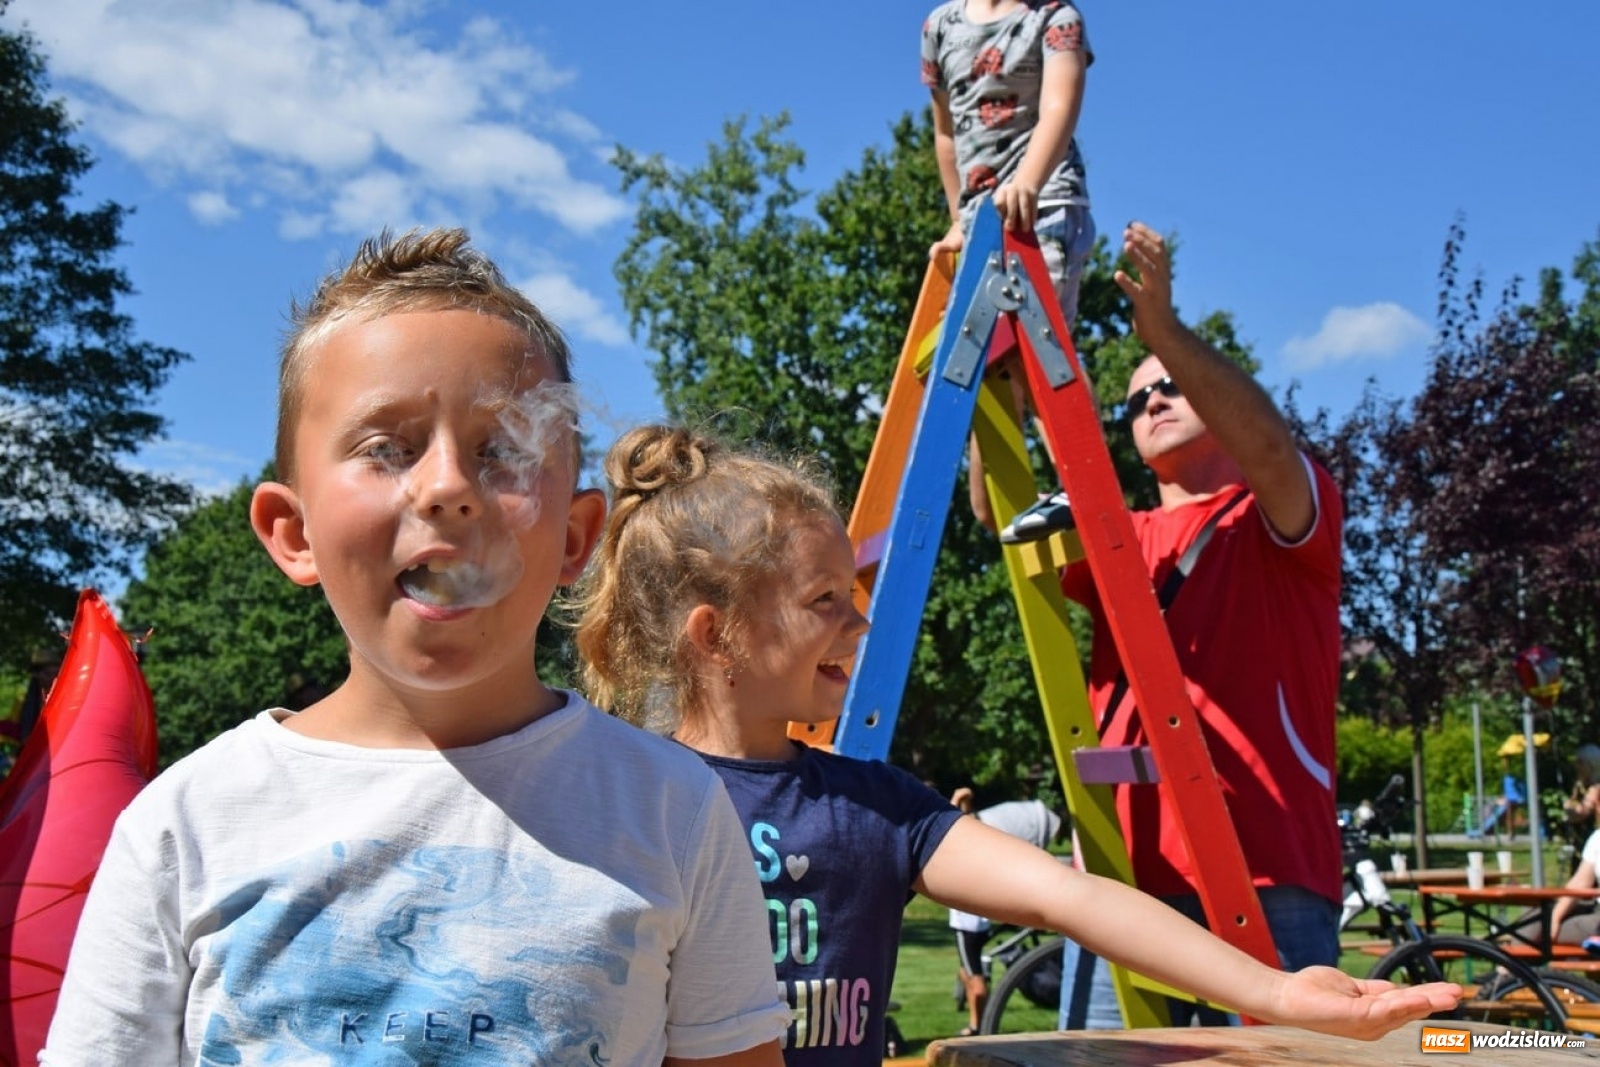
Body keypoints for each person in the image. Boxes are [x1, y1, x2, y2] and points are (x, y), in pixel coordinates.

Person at [42, 230, 788, 1066]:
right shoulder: (184, 827)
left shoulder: (671, 810)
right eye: (384, 448)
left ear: (577, 536)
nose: (445, 487)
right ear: (293, 533)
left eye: (503, 449)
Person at [574, 424, 1457, 1067]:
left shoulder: (875, 808)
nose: (861, 620)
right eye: (824, 602)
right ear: (715, 634)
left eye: (855, 591)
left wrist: (1272, 991)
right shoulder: (620, 799)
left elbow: (1075, 901)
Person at [1035, 221, 1348, 1028]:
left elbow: (1275, 452)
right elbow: (994, 511)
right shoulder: (1119, 534)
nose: (1153, 398)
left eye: (1170, 381)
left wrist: (1164, 331)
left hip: (1265, 876)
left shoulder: (1275, 515)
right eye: (1136, 397)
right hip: (1119, 888)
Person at [921, 0, 1097, 542]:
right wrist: (958, 220)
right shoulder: (940, 27)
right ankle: (1001, 500)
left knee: (1036, 338)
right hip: (979, 222)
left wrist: (1030, 179)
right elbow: (947, 135)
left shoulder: (1054, 17)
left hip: (1041, 203)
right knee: (969, 363)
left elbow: (1060, 108)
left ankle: (1083, 477)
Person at [946, 786, 1063, 1036]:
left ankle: (977, 1028)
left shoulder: (964, 833)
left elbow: (963, 795)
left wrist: (958, 799)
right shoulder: (972, 841)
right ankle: (978, 1022)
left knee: (973, 975)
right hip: (974, 918)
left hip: (966, 923)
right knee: (968, 970)